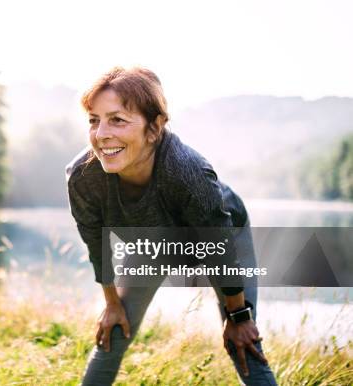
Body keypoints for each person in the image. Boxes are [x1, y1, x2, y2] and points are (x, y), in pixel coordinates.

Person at [65, 67, 277, 385]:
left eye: (117, 120)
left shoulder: (187, 171)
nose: (101, 134)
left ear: (154, 127)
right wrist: (111, 303)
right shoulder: (84, 176)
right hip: (152, 243)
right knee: (113, 332)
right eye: (94, 120)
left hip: (221, 239)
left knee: (242, 342)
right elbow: (94, 240)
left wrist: (238, 316)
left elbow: (219, 249)